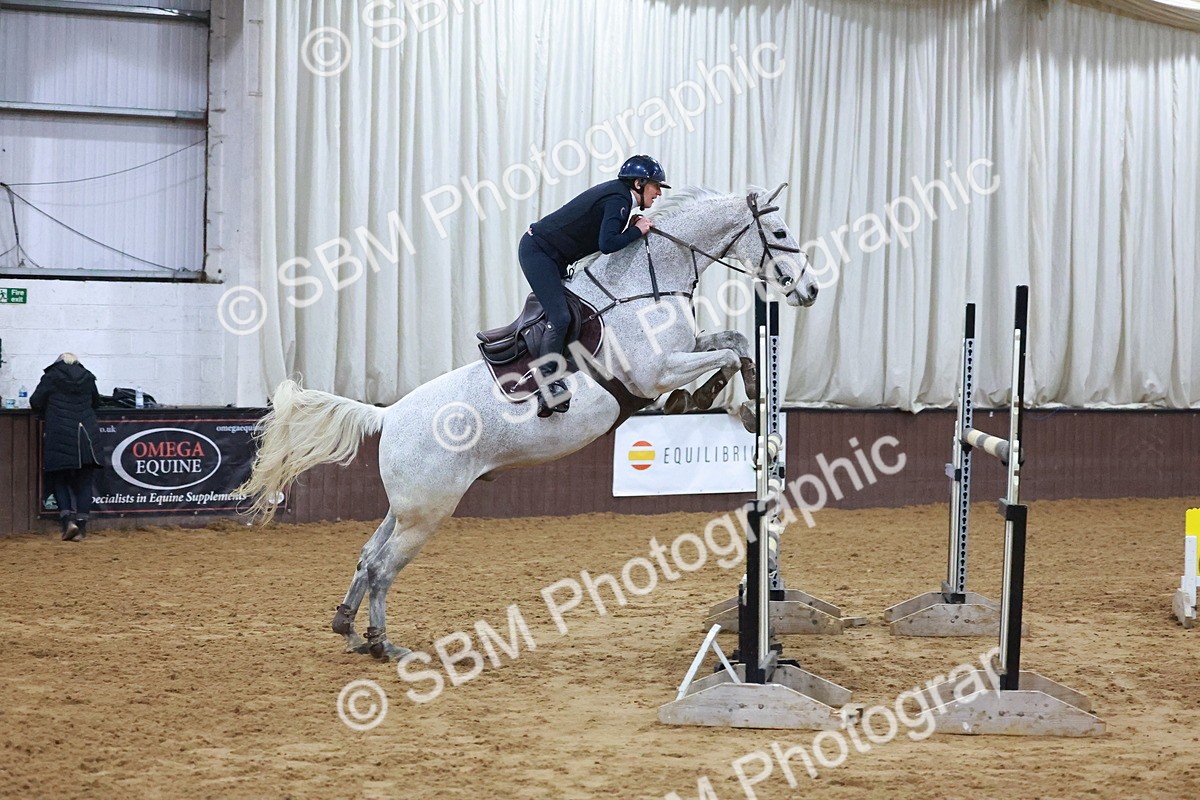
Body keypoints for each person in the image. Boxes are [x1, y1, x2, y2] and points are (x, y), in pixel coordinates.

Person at [519, 154, 670, 417]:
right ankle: (547, 385)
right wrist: (638, 230)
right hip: (538, 253)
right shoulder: (619, 199)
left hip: (552, 255)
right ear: (639, 183)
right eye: (655, 186)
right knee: (561, 316)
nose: (658, 192)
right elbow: (607, 245)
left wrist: (631, 225)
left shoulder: (620, 199)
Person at [29, 353, 102, 541]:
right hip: (86, 435)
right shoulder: (88, 377)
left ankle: (67, 523)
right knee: (85, 482)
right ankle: (82, 527)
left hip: (60, 434)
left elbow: (35, 402)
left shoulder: (51, 377)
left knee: (60, 480)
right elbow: (97, 403)